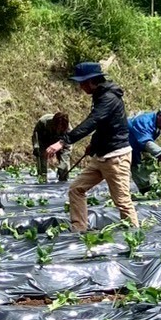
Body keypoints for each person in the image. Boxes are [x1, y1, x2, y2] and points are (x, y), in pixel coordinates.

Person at [45, 61, 139, 231]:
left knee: (122, 201)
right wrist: (94, 145)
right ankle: (79, 230)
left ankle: (134, 235)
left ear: (90, 81)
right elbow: (104, 126)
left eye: (81, 83)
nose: (80, 87)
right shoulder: (100, 96)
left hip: (116, 157)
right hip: (101, 156)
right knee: (76, 189)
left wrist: (63, 141)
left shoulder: (108, 98)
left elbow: (92, 122)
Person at [127, 105, 161, 194]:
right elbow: (145, 141)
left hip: (132, 149)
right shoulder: (144, 122)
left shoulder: (155, 126)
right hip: (117, 145)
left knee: (138, 168)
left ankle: (146, 191)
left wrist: (156, 156)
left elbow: (144, 143)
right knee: (113, 170)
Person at [32, 112, 71, 182]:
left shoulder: (69, 129)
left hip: (62, 142)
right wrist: (36, 147)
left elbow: (67, 147)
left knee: (63, 167)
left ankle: (63, 179)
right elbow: (36, 137)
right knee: (41, 159)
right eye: (57, 127)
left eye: (61, 128)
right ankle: (42, 179)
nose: (59, 129)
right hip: (44, 140)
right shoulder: (43, 122)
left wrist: (63, 165)